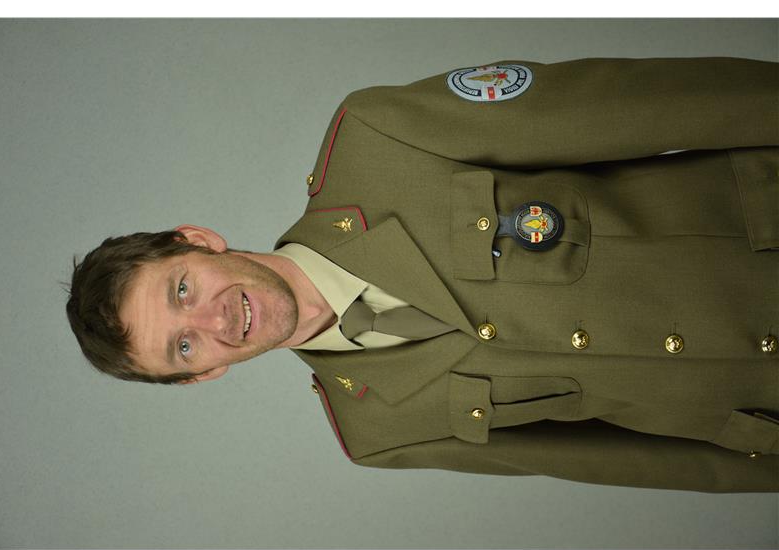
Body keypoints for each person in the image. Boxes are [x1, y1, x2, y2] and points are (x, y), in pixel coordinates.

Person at [67, 57, 779, 493]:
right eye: (183, 346)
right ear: (201, 376)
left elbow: (647, 105)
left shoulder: (380, 140)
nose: (213, 320)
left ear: (196, 242)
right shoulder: (377, 431)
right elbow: (618, 460)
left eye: (182, 290)